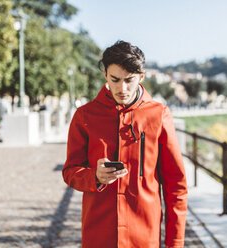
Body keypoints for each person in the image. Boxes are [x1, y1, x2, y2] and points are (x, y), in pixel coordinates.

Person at [62, 40, 188, 248]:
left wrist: (175, 243)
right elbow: (70, 172)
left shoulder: (159, 115)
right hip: (99, 235)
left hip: (145, 236)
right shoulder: (84, 116)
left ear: (141, 77)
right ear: (105, 76)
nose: (122, 88)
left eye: (129, 80)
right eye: (115, 79)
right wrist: (94, 176)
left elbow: (176, 186)